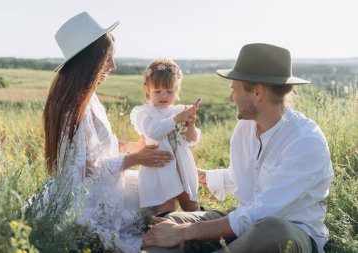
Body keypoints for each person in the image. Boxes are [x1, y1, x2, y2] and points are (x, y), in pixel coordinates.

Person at [142, 43, 334, 253]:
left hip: (289, 231)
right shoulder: (244, 128)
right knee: (168, 223)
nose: (230, 97)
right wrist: (196, 174)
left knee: (272, 229)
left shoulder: (306, 142)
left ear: (257, 92)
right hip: (242, 220)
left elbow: (262, 213)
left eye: (234, 89)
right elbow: (238, 178)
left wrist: (187, 232)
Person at [42, 12, 173, 252]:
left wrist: (139, 147)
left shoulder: (85, 95)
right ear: (90, 60)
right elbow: (87, 170)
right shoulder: (73, 106)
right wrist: (136, 159)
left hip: (101, 184)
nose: (113, 66)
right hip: (91, 197)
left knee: (158, 181)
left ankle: (174, 228)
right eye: (108, 59)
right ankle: (175, 236)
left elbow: (101, 147)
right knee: (159, 188)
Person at [130, 58, 201, 216]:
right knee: (165, 207)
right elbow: (154, 132)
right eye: (158, 91)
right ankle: (167, 232)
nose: (164, 96)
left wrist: (191, 125)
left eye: (169, 91)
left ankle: (201, 230)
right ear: (147, 90)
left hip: (181, 166)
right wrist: (177, 119)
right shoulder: (145, 113)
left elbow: (192, 140)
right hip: (159, 168)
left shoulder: (179, 110)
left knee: (189, 202)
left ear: (177, 90)